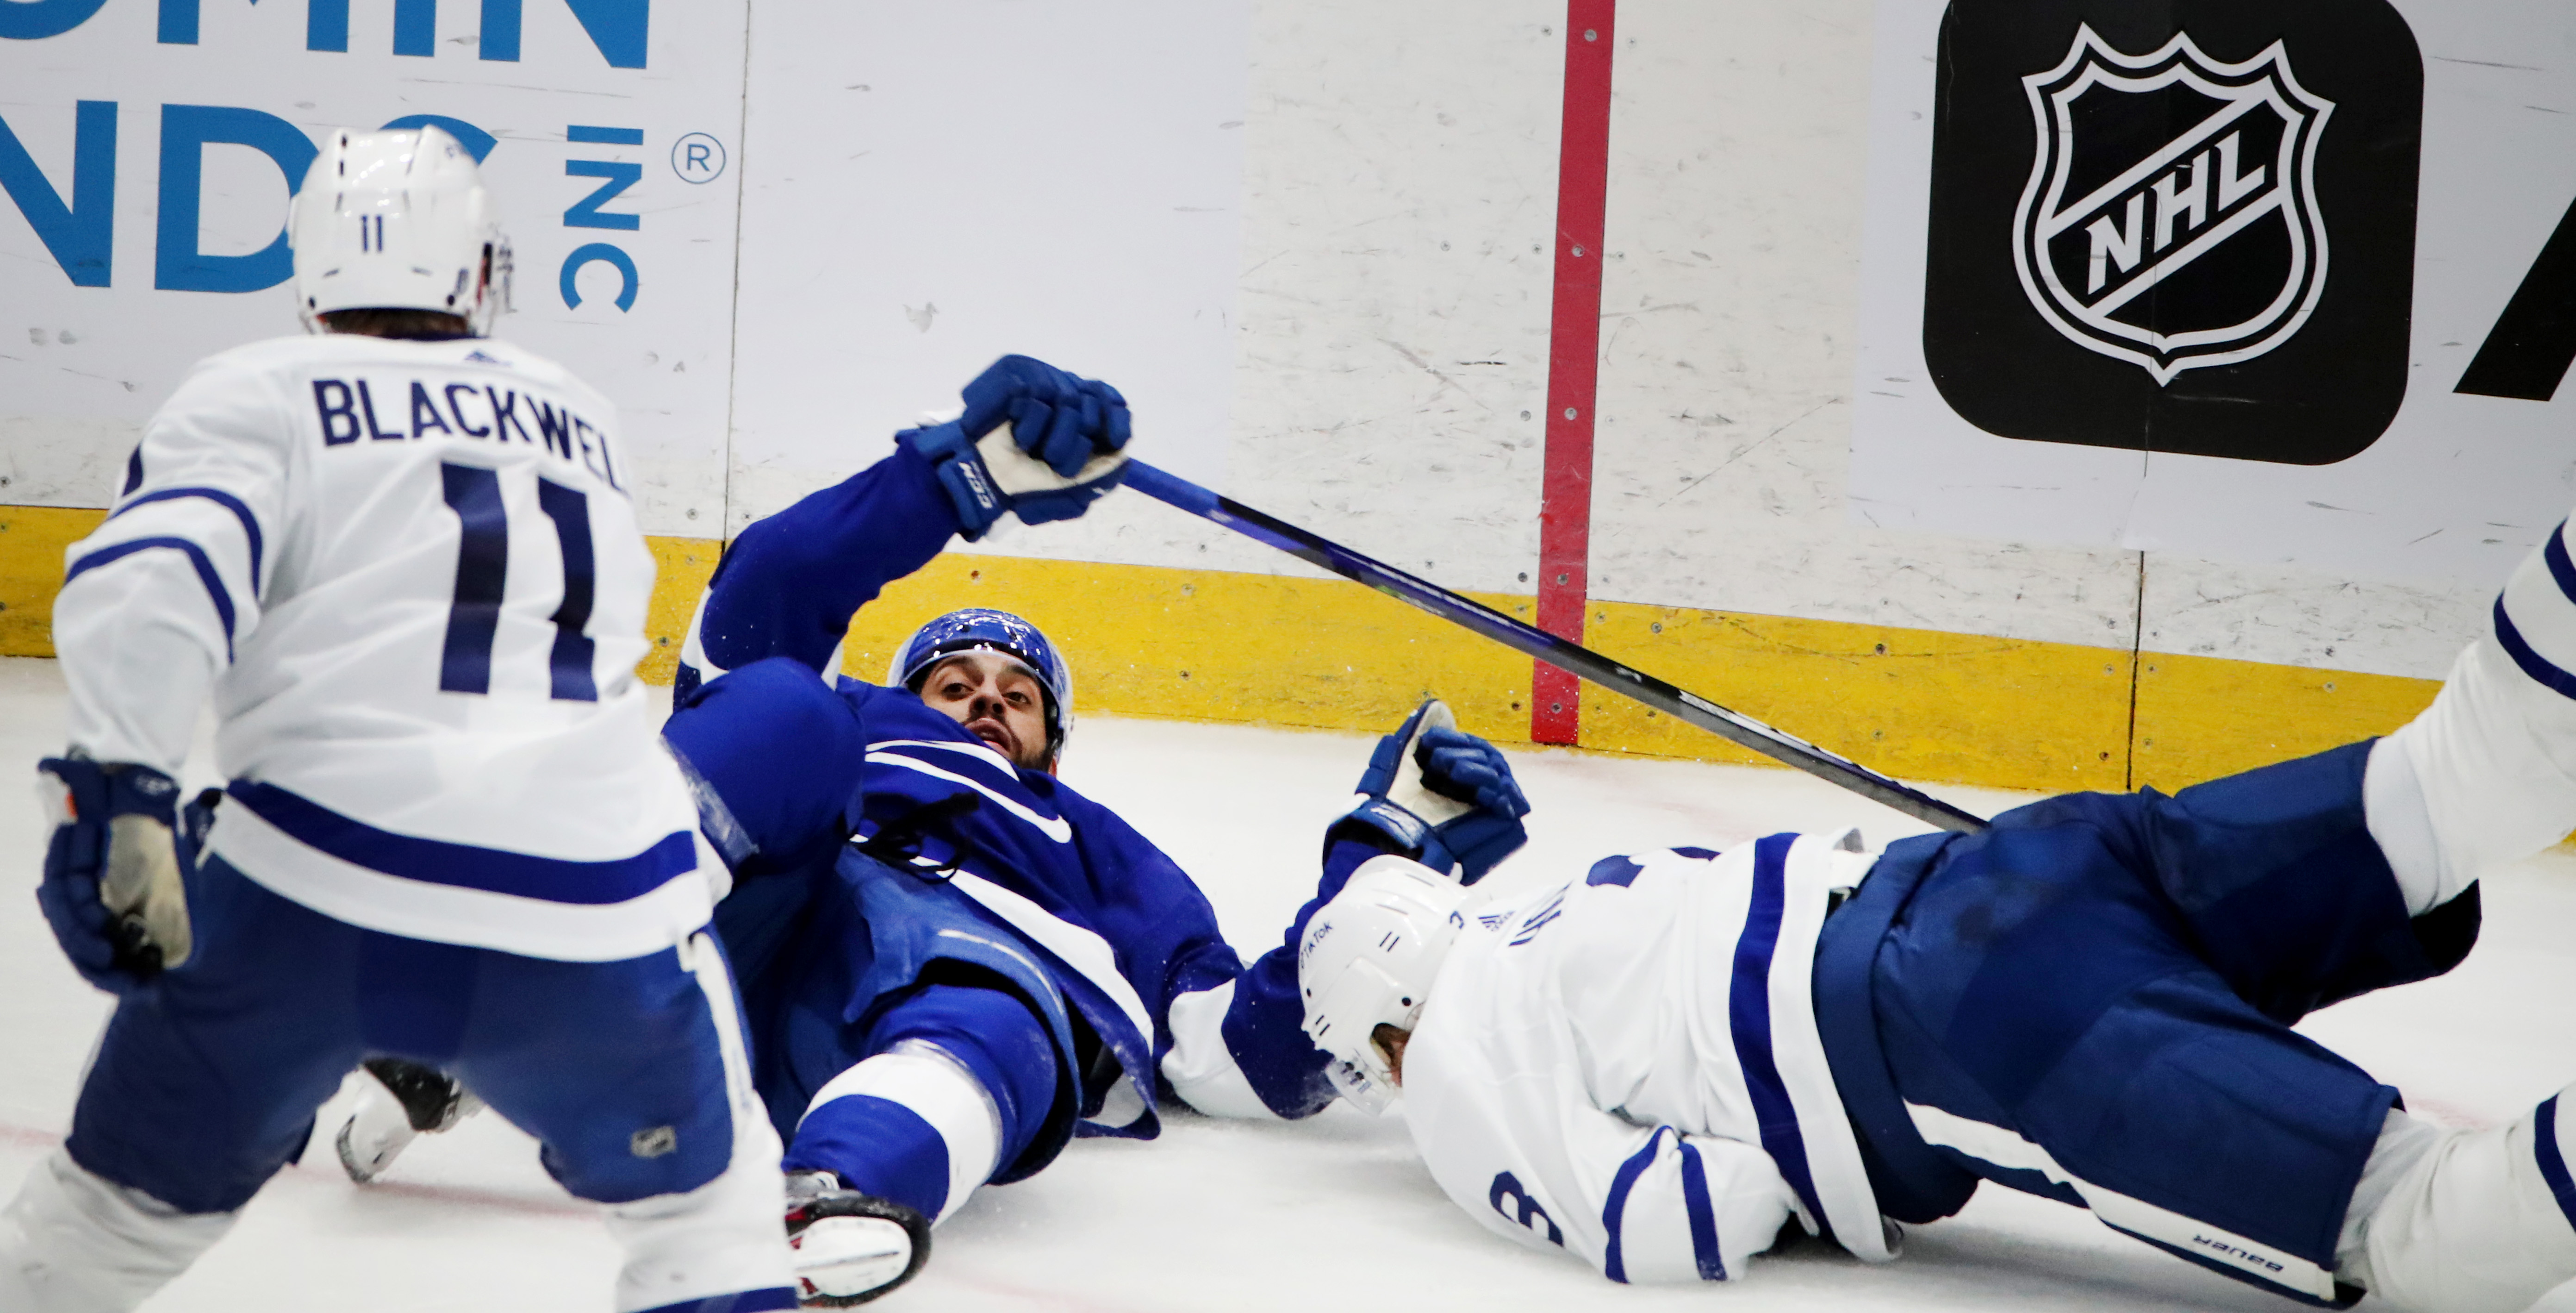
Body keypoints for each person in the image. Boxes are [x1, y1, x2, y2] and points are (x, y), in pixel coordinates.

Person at [335, 355, 1539, 1306]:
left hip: (899, 1002)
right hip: (735, 926)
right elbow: (767, 591)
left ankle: (848, 1193)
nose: (982, 701)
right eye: (952, 682)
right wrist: (952, 478)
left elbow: (1234, 1056)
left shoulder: (1105, 857)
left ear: (1052, 742)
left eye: (1015, 696)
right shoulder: (857, 725)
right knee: (773, 711)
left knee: (1002, 1014)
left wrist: (1381, 866)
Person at [1298, 510, 2576, 1313]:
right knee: (2444, 776)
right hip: (2018, 866)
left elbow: (1678, 1221)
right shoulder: (1558, 908)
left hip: (1969, 1024)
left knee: (2407, 1227)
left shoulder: (1457, 1054)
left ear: (1391, 1022)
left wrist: (1792, 1181)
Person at [0, 126, 795, 1313]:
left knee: (107, 1222)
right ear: (481, 273)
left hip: (312, 888)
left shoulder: (254, 389)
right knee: (711, 1230)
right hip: (591, 910)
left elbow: (150, 586)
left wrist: (117, 792)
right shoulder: (579, 413)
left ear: (312, 275)